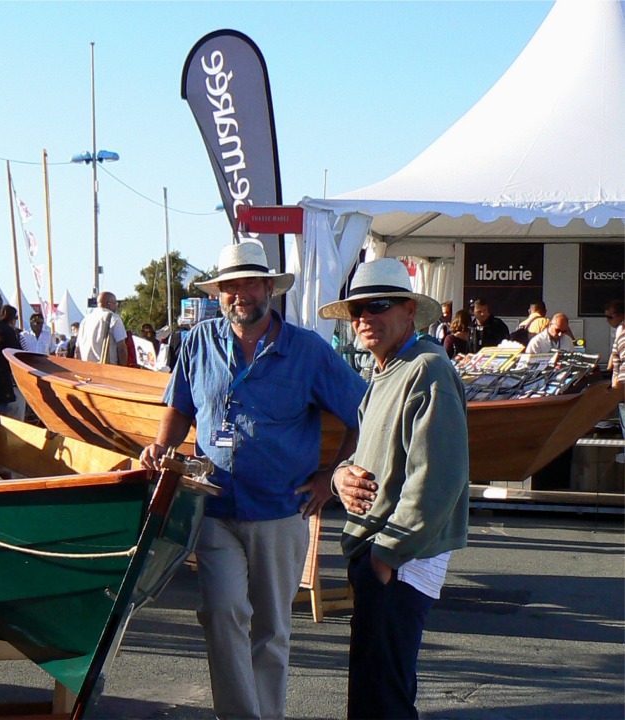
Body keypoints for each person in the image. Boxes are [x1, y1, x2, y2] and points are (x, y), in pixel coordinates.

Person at [140, 241, 366, 720]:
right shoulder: (199, 341)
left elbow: (361, 414)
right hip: (215, 508)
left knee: (272, 629)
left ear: (269, 287)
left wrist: (331, 476)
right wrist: (162, 448)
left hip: (282, 510)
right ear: (219, 294)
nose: (239, 294)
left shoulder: (307, 349)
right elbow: (179, 408)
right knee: (222, 614)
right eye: (229, 286)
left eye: (248, 283)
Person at [319, 258, 469, 720]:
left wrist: (386, 557)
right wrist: (339, 476)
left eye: (377, 305)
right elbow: (364, 454)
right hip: (378, 551)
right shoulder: (385, 372)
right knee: (375, 689)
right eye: (357, 309)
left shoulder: (426, 369)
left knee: (382, 696)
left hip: (399, 558)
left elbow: (437, 478)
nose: (365, 317)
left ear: (409, 310)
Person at [76, 292, 128, 365]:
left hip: (87, 368)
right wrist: (124, 368)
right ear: (109, 303)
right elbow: (121, 347)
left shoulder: (85, 320)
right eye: (115, 303)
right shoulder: (113, 318)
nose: (117, 306)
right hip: (107, 369)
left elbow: (77, 350)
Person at [603, 300, 624, 374]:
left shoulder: (622, 329)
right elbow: (614, 353)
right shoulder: (618, 329)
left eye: (609, 317)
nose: (607, 320)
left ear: (621, 315)